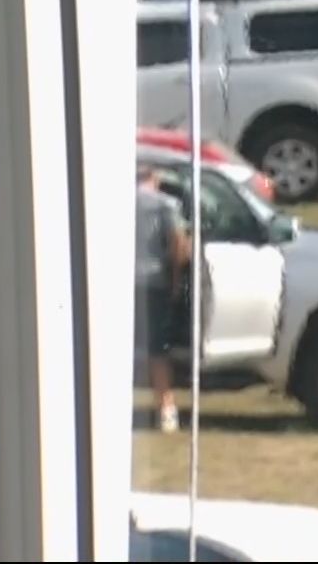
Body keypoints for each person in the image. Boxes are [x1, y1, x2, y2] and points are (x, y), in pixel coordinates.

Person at [136, 164, 192, 433]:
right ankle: (166, 409)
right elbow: (179, 246)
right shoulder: (165, 205)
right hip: (154, 280)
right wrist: (177, 280)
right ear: (154, 178)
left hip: (120, 284)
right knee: (158, 348)